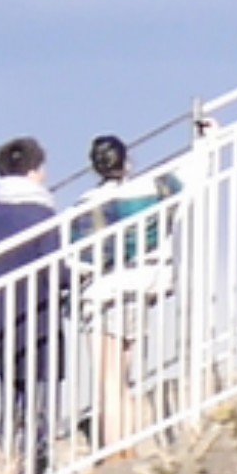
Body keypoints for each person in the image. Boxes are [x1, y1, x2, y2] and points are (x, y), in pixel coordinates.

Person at [0, 137, 70, 474]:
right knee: (40, 408)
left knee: (9, 410)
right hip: (39, 323)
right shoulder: (42, 215)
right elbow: (57, 272)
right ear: (32, 171)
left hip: (2, 324)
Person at [79, 131, 177, 441]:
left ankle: (115, 450)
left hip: (103, 293)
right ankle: (128, 444)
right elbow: (190, 175)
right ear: (127, 162)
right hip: (140, 288)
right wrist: (209, 139)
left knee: (108, 381)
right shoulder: (154, 191)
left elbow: (79, 259)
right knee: (124, 377)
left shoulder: (87, 205)